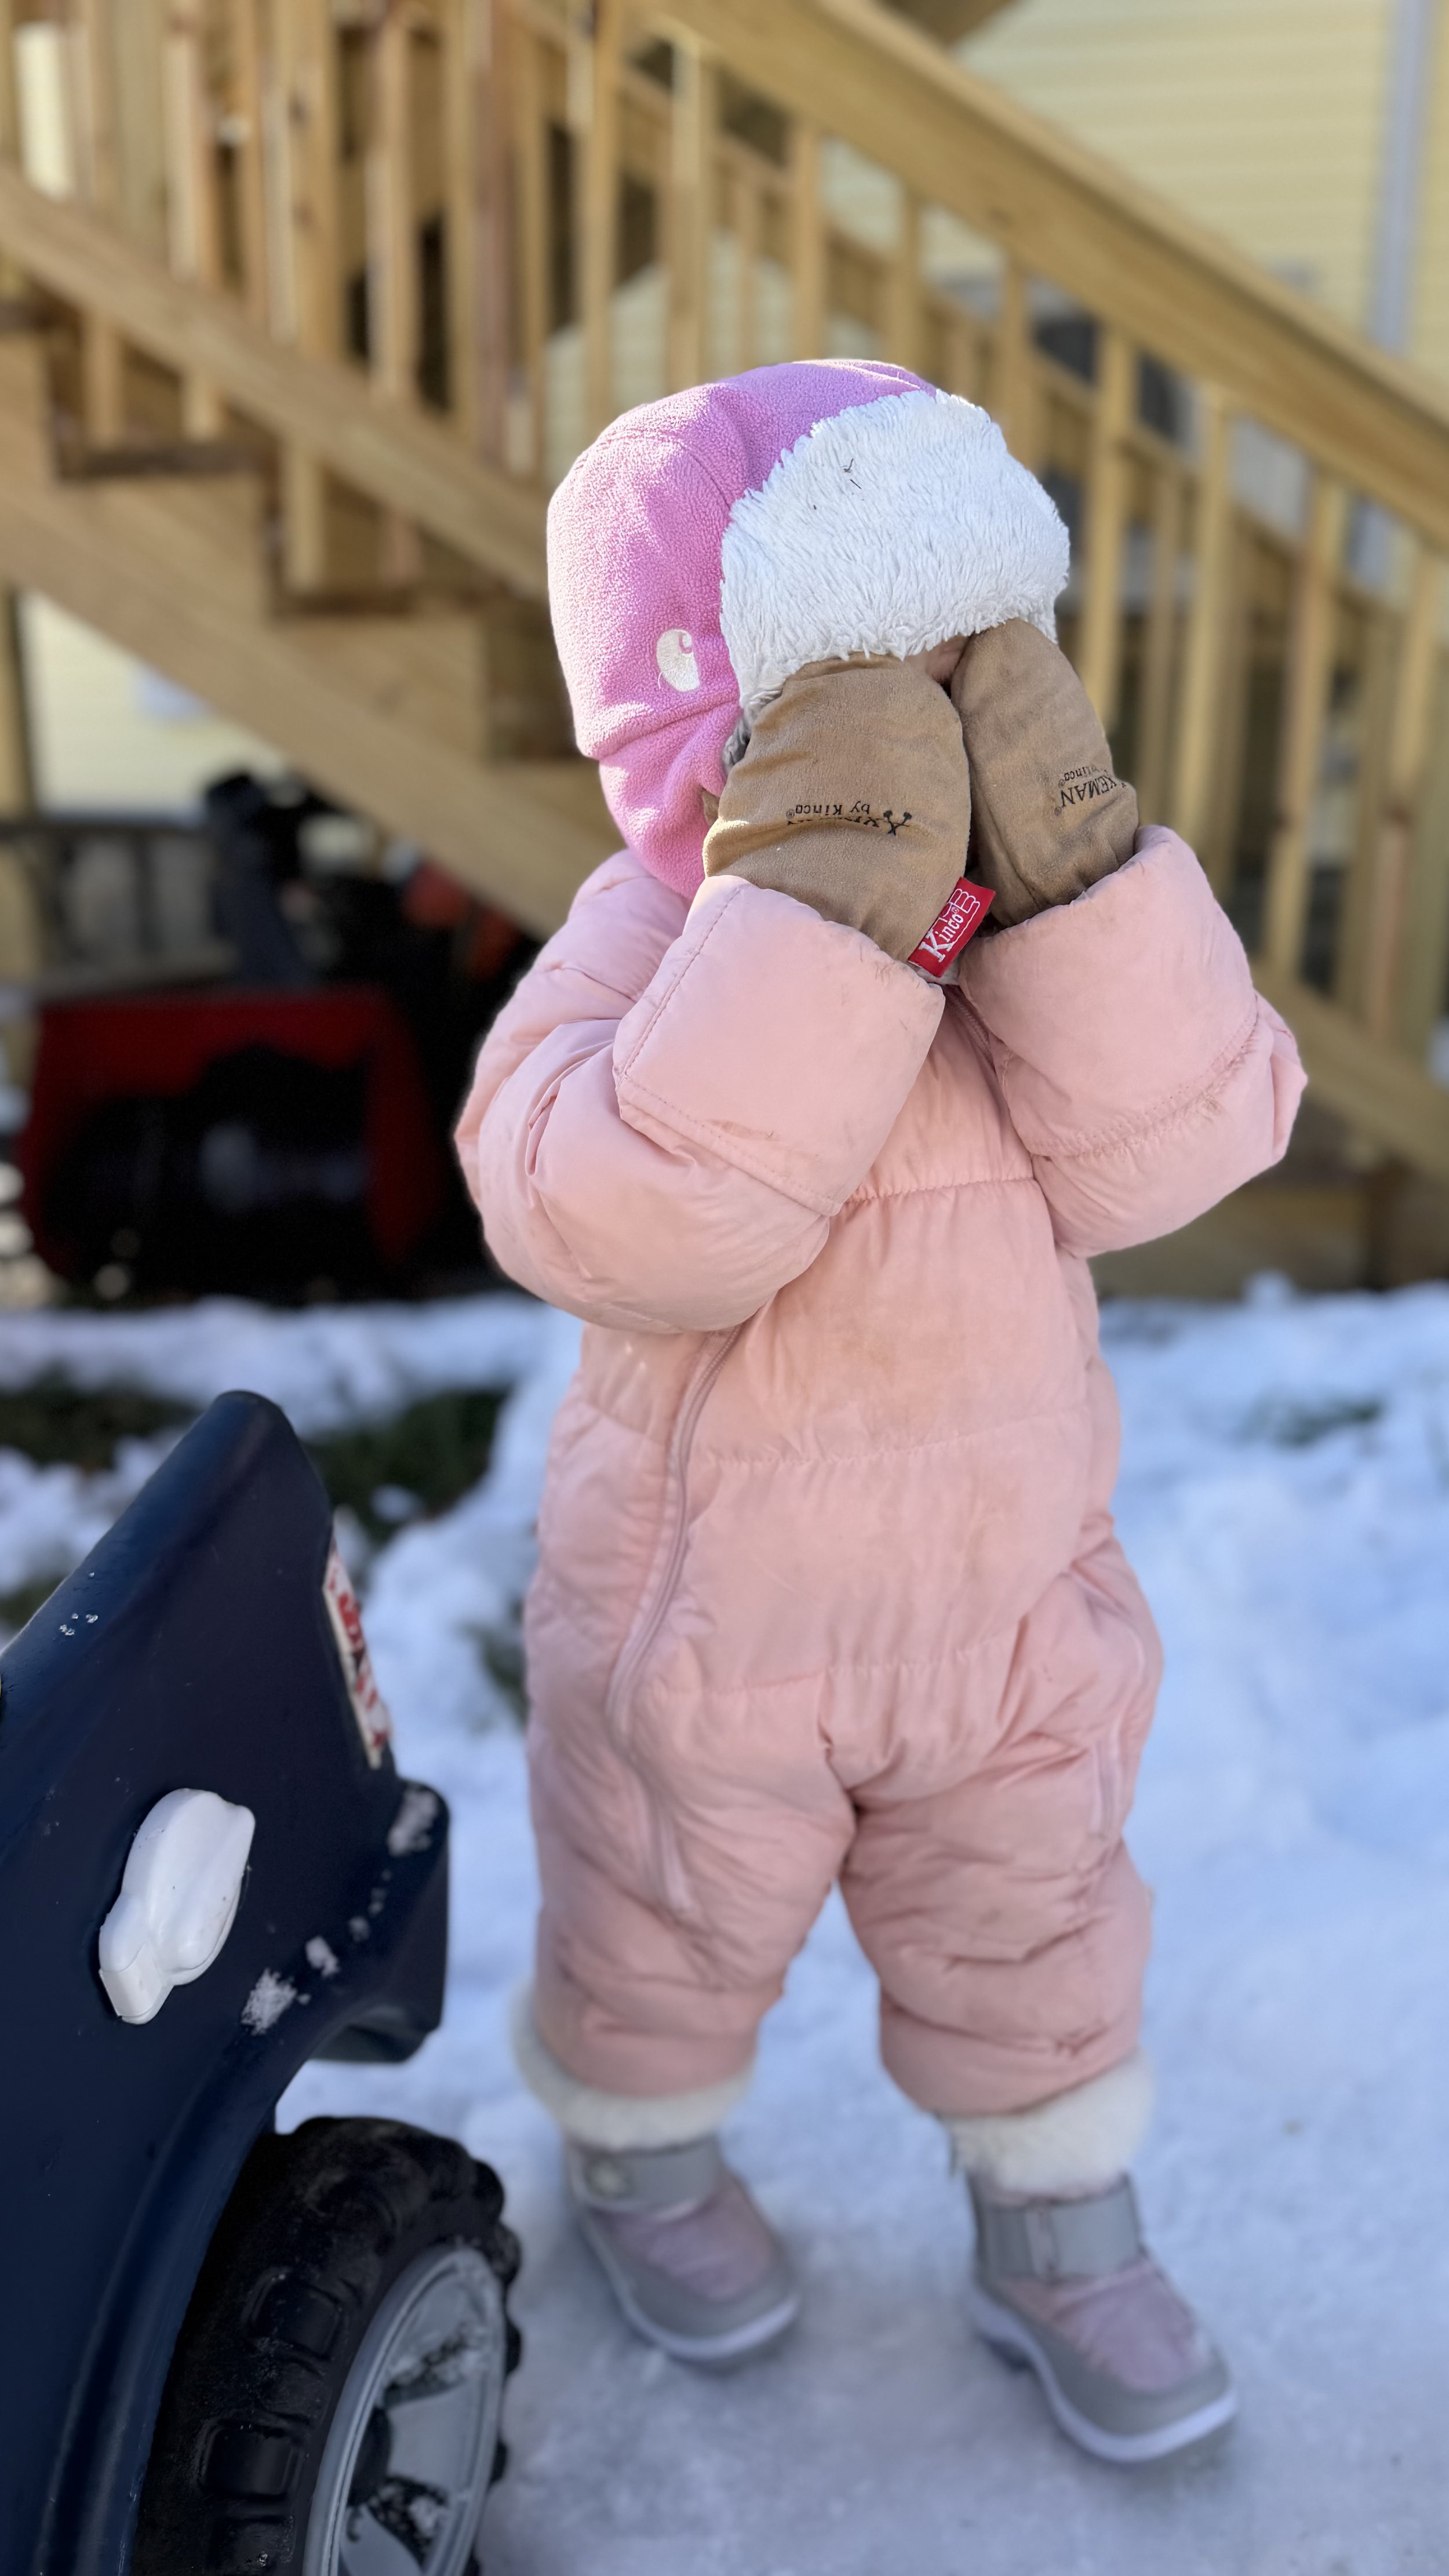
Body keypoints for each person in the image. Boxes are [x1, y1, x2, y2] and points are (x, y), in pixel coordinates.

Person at [455, 359, 1304, 2464]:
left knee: (1032, 1920)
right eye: (879, 688)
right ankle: (643, 2154)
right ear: (723, 706)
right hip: (702, 1625)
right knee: (657, 1911)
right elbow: (621, 1220)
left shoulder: (1024, 949)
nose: (933, 735)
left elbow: (1181, 1150)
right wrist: (814, 920)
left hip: (1004, 1610)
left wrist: (1083, 882)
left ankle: (1059, 2217)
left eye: (967, 679)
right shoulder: (648, 933)